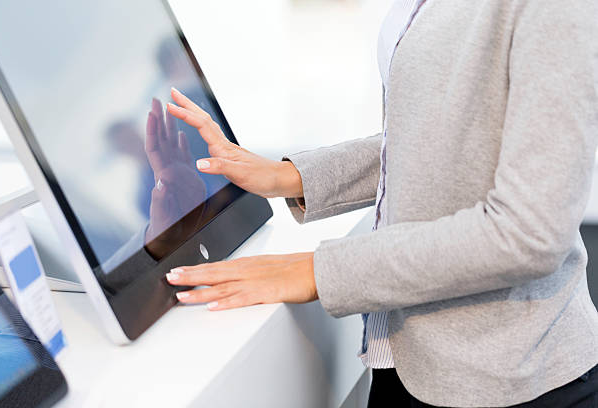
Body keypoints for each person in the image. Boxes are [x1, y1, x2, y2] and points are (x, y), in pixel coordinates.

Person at [163, 0, 598, 406]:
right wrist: (290, 176)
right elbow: (441, 139)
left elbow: (528, 234)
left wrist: (318, 270)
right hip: (409, 356)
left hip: (505, 380)